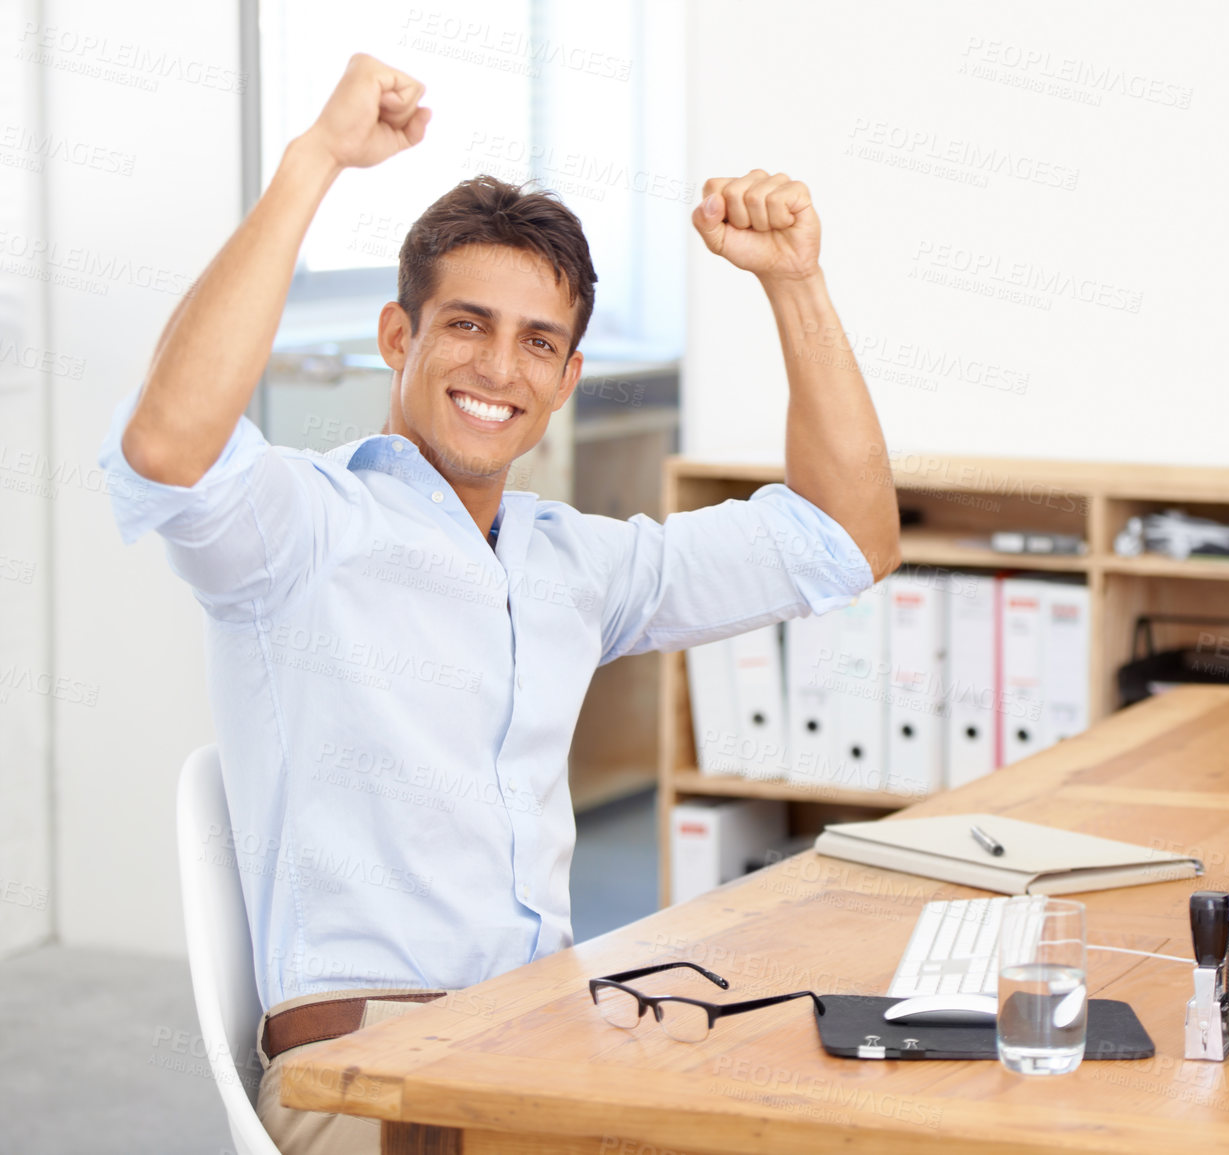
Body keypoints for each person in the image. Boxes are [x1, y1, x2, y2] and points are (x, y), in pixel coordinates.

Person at [98, 53, 899, 1155]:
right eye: (466, 325)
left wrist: (795, 283)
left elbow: (847, 540)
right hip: (379, 1085)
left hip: (537, 1048)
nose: (500, 368)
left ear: (567, 380)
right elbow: (167, 448)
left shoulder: (573, 563)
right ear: (399, 338)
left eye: (539, 342)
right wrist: (315, 160)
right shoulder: (301, 532)